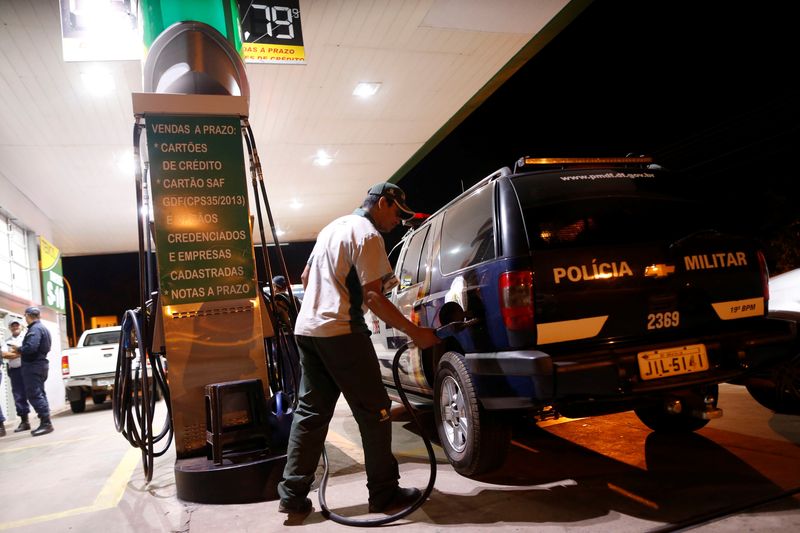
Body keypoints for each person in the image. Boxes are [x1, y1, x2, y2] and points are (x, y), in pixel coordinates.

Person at [277, 182, 440, 516]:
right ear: (382, 203)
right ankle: (384, 493)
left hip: (308, 331)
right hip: (341, 332)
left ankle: (292, 495)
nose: (398, 220)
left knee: (310, 412)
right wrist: (415, 333)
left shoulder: (332, 228)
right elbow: (373, 296)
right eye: (397, 212)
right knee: (376, 411)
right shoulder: (367, 234)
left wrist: (324, 302)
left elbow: (306, 277)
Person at [19, 307, 54, 436]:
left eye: (25, 316)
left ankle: (46, 423)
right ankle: (46, 421)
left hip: (33, 366)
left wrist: (19, 349)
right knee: (40, 393)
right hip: (40, 364)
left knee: (34, 394)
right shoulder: (42, 328)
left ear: (28, 316)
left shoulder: (35, 329)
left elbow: (31, 348)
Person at [1, 320, 30, 435]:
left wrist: (16, 353)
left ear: (21, 326)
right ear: (9, 328)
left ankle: (44, 418)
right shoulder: (7, 341)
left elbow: (29, 350)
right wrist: (21, 352)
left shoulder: (26, 337)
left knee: (34, 393)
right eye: (12, 326)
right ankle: (25, 421)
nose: (14, 327)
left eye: (16, 325)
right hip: (15, 371)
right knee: (19, 396)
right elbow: (4, 355)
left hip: (27, 368)